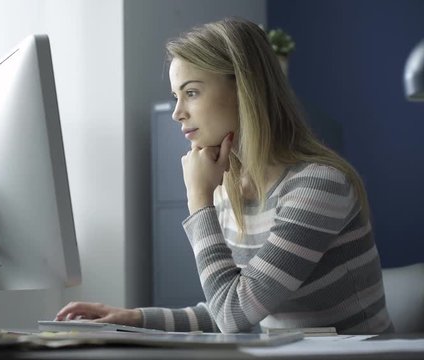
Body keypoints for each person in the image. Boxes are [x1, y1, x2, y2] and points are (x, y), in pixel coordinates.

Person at [55, 17, 394, 334]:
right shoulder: (228, 191)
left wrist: (198, 202)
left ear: (243, 89)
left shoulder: (318, 186)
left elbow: (234, 314)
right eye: (176, 96)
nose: (177, 113)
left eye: (191, 92)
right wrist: (132, 318)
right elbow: (224, 309)